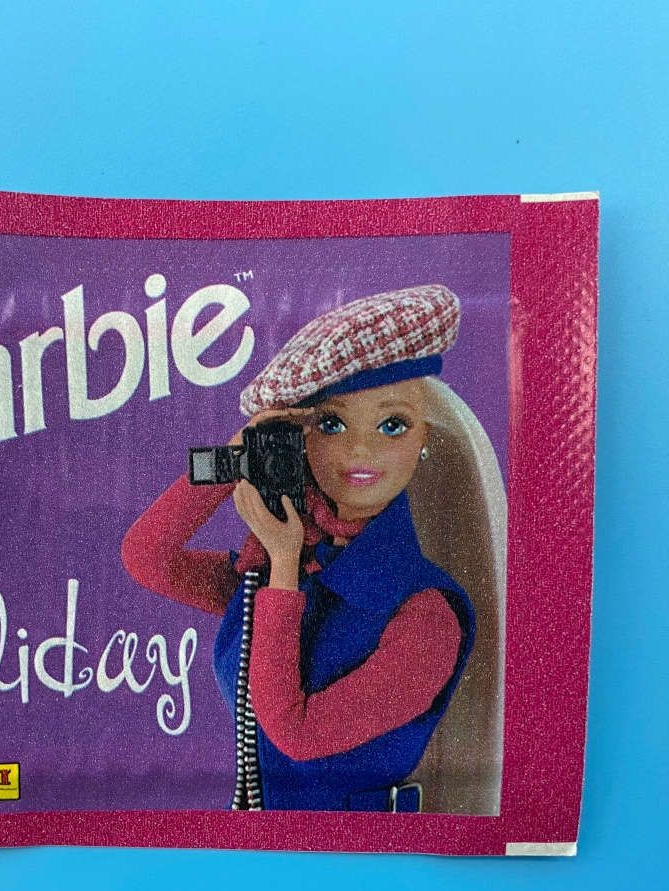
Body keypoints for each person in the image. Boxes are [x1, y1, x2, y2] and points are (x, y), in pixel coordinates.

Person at [121, 285, 506, 813]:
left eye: (392, 425)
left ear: (424, 439)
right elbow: (148, 557)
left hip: (364, 845)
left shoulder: (426, 613)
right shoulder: (286, 572)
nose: (360, 450)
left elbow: (297, 735)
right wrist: (238, 456)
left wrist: (282, 565)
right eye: (331, 424)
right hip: (264, 836)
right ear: (300, 441)